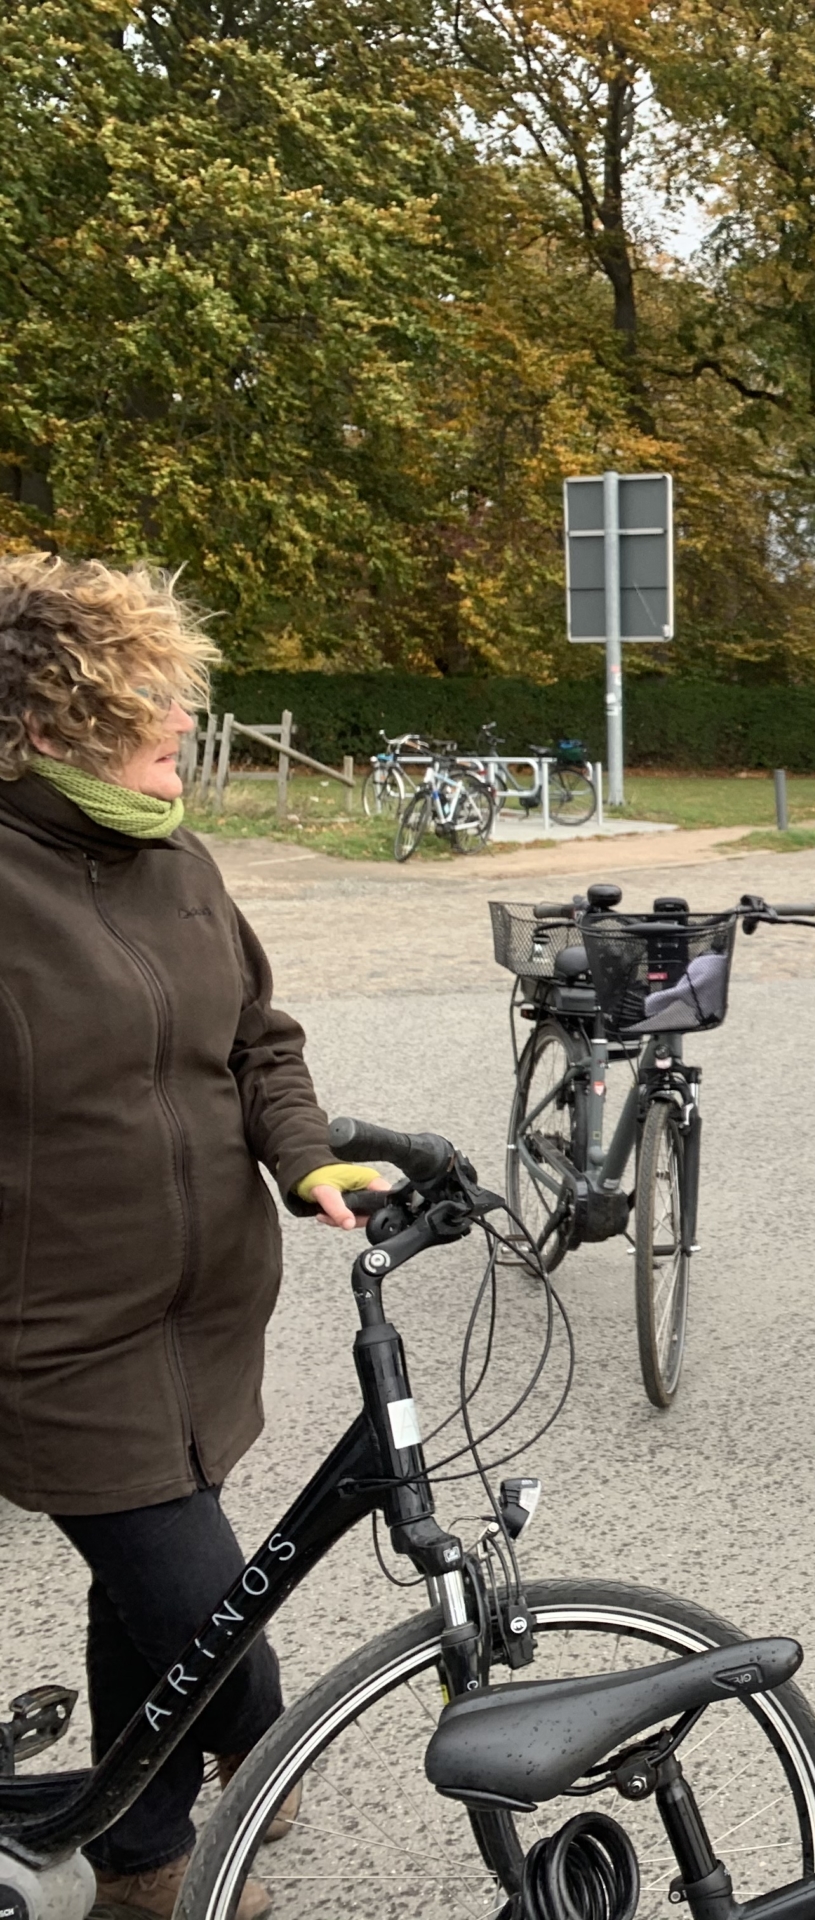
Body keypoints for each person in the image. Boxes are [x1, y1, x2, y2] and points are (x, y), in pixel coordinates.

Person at [0, 555, 384, 1920]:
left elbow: (255, 1040)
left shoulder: (179, 862)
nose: (178, 723)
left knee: (147, 1608)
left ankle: (143, 1866)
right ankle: (245, 1752)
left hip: (205, 1323)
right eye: (143, 703)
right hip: (60, 1342)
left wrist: (309, 1155)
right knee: (219, 1626)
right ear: (47, 727)